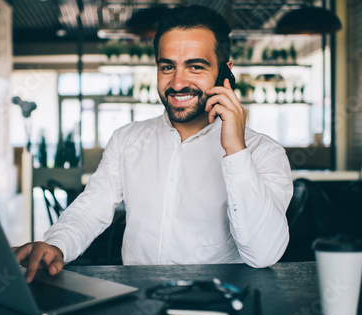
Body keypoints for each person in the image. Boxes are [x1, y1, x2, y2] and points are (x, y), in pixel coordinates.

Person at [15, 5, 293, 283]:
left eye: (196, 66)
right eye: (167, 66)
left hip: (220, 305)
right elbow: (93, 206)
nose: (178, 82)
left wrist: (235, 150)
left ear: (225, 72)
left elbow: (263, 253)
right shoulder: (127, 139)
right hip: (139, 301)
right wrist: (57, 244)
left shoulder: (263, 152)